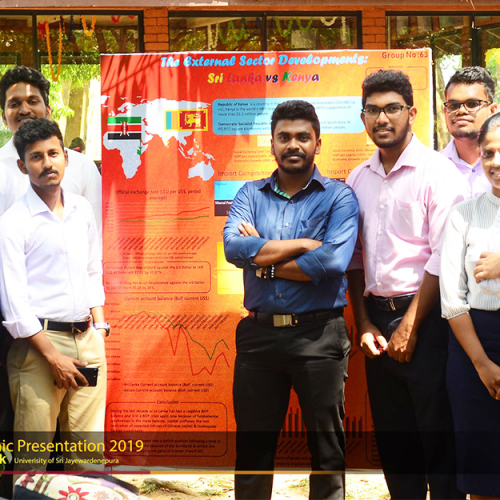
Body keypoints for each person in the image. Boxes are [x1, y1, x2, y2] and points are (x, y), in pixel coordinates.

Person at [224, 100, 359, 500]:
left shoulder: (339, 197)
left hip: (320, 337)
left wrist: (262, 260)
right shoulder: (250, 194)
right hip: (259, 338)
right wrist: (303, 244)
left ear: (318, 142)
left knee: (327, 452)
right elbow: (233, 248)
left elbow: (331, 262)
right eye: (284, 137)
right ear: (272, 144)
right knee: (253, 451)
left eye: (303, 136)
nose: (293, 144)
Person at [346, 70, 468, 499]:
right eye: (373, 110)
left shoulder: (438, 173)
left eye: (392, 108)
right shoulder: (357, 178)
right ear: (363, 117)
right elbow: (354, 259)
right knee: (396, 446)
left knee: (439, 441)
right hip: (378, 328)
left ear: (412, 113)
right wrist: (364, 323)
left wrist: (410, 326)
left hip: (429, 323)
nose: (382, 118)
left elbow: (443, 255)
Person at [0, 118, 109, 470]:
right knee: (32, 464)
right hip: (38, 348)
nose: (47, 163)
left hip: (87, 341)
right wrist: (53, 357)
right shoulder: (13, 223)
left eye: (53, 153)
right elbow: (15, 306)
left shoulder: (81, 210)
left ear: (66, 156)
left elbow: (92, 271)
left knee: (88, 460)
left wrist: (100, 329)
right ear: (23, 166)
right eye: (36, 157)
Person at [440, 112, 500, 499]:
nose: (496, 162)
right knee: (482, 475)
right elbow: (452, 300)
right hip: (474, 346)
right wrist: (482, 364)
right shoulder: (463, 214)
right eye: (489, 152)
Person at [0, 66, 102, 231]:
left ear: (48, 111)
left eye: (32, 101)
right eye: (14, 104)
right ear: (4, 117)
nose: (24, 110)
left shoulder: (83, 168)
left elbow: (97, 235)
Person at [441, 66, 497, 198]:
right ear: (445, 112)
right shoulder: (431, 168)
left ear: (492, 111)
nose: (461, 111)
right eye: (453, 106)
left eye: (472, 104)